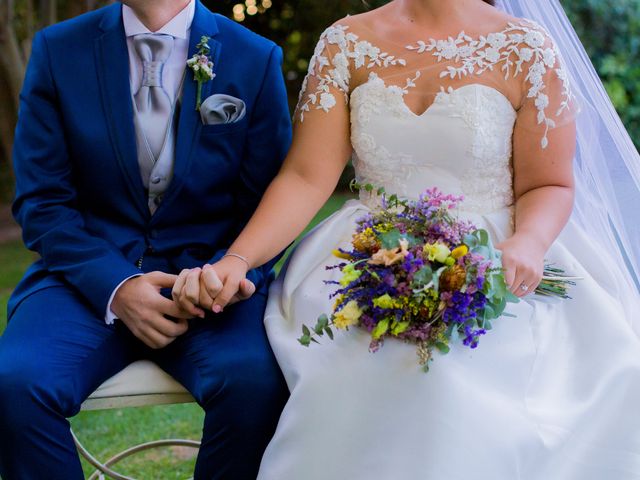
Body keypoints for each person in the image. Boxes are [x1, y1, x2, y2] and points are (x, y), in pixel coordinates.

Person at [174, 0, 640, 478]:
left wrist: (530, 243)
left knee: (450, 381)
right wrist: (238, 258)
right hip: (362, 258)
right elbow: (306, 178)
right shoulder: (345, 42)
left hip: (495, 258)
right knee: (374, 365)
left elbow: (550, 184)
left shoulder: (526, 48)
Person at [0, 0, 291, 478]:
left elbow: (268, 206)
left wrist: (222, 275)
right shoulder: (59, 49)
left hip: (209, 288)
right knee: (17, 383)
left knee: (256, 382)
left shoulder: (254, 57)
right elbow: (42, 202)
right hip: (84, 284)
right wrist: (117, 285)